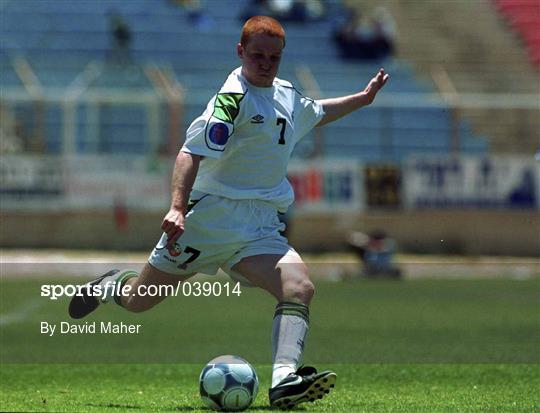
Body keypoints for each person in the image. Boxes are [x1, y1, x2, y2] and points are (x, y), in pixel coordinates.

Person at [69, 16, 388, 409]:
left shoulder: (286, 93)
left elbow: (317, 111)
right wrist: (177, 208)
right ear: (240, 52)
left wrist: (363, 98)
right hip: (206, 223)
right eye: (258, 55)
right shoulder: (230, 101)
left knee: (299, 287)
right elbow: (190, 153)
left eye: (274, 57)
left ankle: (285, 380)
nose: (266, 63)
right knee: (139, 301)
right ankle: (110, 286)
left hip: (259, 227)